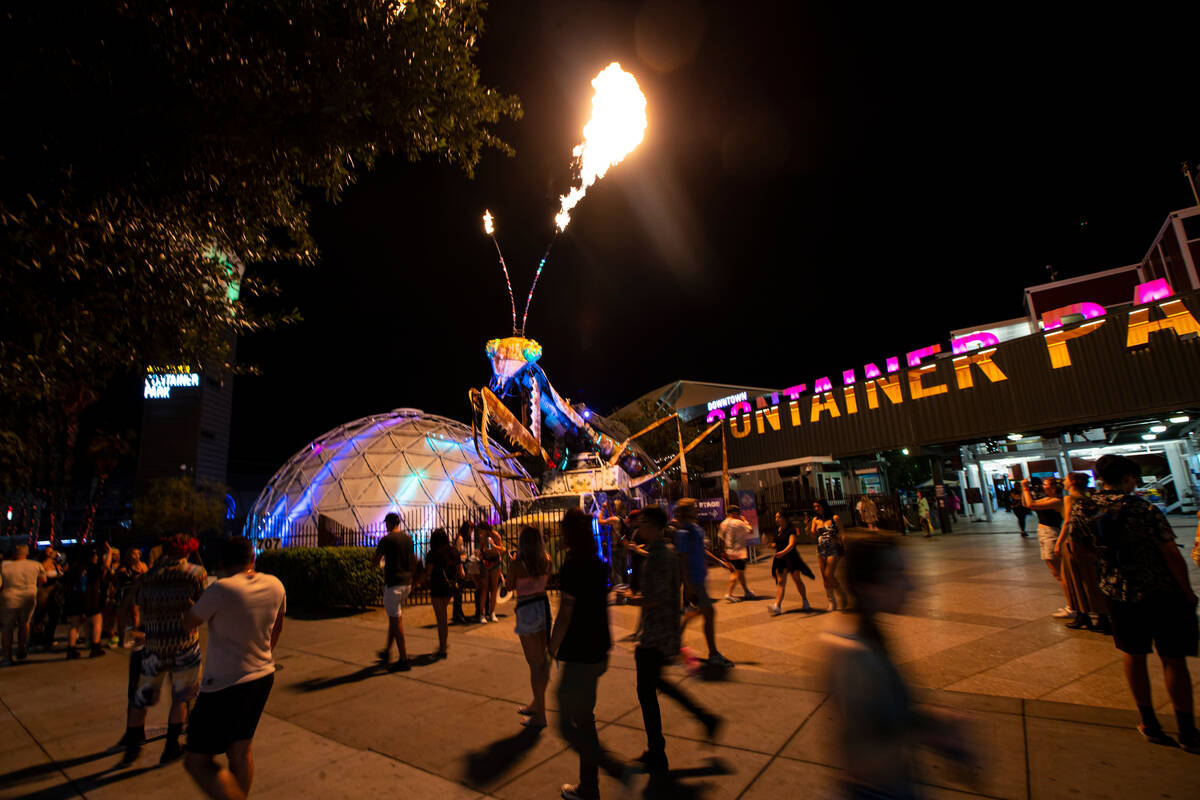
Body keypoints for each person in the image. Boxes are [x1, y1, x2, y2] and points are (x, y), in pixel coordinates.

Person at [825, 536, 976, 798]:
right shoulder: (851, 651)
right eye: (897, 575)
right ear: (867, 586)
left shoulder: (871, 634)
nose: (911, 585)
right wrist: (933, 733)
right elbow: (869, 739)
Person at [1073, 454, 1198, 752]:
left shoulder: (1083, 508)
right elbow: (1170, 553)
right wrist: (1188, 591)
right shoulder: (1143, 507)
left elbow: (1079, 550)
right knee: (1173, 658)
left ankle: (1150, 723)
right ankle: (1187, 730)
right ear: (1129, 477)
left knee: (1133, 654)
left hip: (1118, 592)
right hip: (1160, 590)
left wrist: (1109, 564)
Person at [619, 506, 720, 774]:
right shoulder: (665, 552)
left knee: (646, 691)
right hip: (664, 630)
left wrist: (630, 598)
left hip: (656, 632)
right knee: (656, 683)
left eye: (641, 522)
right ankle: (704, 719)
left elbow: (655, 597)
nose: (638, 526)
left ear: (652, 524)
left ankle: (658, 752)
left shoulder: (661, 557)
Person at [183, 536, 286, 800]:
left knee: (196, 760)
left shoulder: (220, 590)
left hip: (223, 684)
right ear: (253, 558)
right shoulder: (276, 585)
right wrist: (264, 654)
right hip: (263, 675)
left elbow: (189, 622)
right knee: (241, 750)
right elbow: (277, 628)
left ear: (221, 564)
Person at [550, 508, 628, 800]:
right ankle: (589, 786)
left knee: (566, 721)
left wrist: (551, 646)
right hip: (598, 647)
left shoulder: (572, 566)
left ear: (570, 533)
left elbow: (567, 611)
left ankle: (613, 770)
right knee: (584, 718)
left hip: (580, 651)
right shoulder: (598, 563)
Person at [122, 533, 208, 764]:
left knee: (142, 696)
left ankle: (132, 746)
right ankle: (171, 746)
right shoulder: (195, 574)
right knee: (181, 697)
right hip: (184, 644)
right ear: (187, 550)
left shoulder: (148, 576)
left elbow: (136, 603)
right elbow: (202, 606)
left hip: (154, 645)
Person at [674, 498, 732, 666]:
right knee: (709, 613)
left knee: (699, 612)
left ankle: (675, 641)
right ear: (685, 512)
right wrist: (689, 586)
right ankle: (713, 653)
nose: (696, 511)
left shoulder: (697, 529)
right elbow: (683, 560)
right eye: (692, 509)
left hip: (701, 578)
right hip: (695, 581)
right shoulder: (683, 533)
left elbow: (703, 551)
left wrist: (720, 562)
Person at [505, 526, 553, 729]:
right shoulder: (547, 560)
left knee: (534, 664)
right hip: (543, 607)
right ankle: (537, 703)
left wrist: (510, 563)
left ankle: (541, 715)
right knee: (542, 661)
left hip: (526, 610)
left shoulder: (517, 564)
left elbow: (508, 587)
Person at [1055, 473, 1111, 633]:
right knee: (1092, 579)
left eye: (1065, 480)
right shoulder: (1090, 497)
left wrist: (1058, 543)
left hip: (1074, 542)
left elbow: (1067, 522)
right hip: (1091, 543)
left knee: (1075, 579)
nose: (1063, 483)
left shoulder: (1069, 499)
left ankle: (1083, 614)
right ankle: (1102, 616)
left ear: (1072, 482)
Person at [1022, 478, 1073, 619]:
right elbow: (1027, 504)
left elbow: (1031, 504)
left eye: (1045, 484)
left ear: (1053, 487)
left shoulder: (1057, 501)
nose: (1042, 486)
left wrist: (1025, 489)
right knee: (1056, 573)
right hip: (1043, 533)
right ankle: (1071, 604)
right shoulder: (1047, 499)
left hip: (1051, 534)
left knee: (1060, 574)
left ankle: (1071, 606)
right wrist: (1024, 490)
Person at [374, 512, 416, 670]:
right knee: (394, 618)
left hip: (393, 584)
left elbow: (376, 560)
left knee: (396, 621)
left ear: (390, 524)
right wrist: (411, 576)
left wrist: (378, 565)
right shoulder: (408, 539)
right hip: (406, 584)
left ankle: (404, 659)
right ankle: (387, 651)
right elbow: (414, 560)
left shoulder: (386, 540)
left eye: (386, 524)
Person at [1, 544, 46, 665]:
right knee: (25, 623)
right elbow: (43, 580)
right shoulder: (36, 565)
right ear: (26, 553)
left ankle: (7, 657)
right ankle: (21, 648)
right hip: (29, 596)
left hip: (8, 598)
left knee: (7, 628)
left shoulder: (4, 565)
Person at [63, 544, 110, 658]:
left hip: (74, 598)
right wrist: (109, 553)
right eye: (95, 555)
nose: (97, 557)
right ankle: (95, 647)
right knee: (97, 621)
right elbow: (105, 568)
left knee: (74, 625)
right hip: (90, 599)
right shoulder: (92, 567)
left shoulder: (75, 567)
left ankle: (71, 649)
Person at [424, 528, 463, 659]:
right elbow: (460, 572)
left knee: (441, 619)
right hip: (449, 588)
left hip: (436, 586)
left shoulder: (432, 554)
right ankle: (443, 645)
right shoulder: (454, 552)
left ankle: (442, 648)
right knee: (443, 617)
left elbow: (428, 572)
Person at [768, 510, 813, 615]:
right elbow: (775, 543)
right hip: (780, 558)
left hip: (791, 557)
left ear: (784, 518)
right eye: (775, 517)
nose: (776, 519)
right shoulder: (777, 530)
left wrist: (783, 552)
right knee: (780, 582)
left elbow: (791, 544)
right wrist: (769, 544)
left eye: (778, 517)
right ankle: (777, 606)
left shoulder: (791, 530)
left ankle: (805, 601)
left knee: (797, 580)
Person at [811, 500, 849, 610]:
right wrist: (808, 528)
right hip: (821, 549)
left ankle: (841, 594)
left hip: (833, 548)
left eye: (818, 506)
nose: (816, 509)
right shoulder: (815, 520)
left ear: (824, 506)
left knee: (828, 574)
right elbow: (813, 535)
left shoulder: (834, 518)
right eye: (815, 507)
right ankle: (831, 601)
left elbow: (842, 532)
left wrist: (844, 544)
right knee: (824, 576)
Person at [720, 504, 757, 602]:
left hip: (729, 552)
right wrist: (744, 520)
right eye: (738, 513)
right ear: (734, 513)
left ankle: (746, 591)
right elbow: (751, 530)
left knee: (740, 573)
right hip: (738, 552)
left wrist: (723, 551)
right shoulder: (738, 522)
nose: (739, 515)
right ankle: (729, 593)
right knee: (736, 573)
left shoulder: (723, 523)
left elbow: (721, 538)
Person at [32, 545, 65, 649]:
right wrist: (50, 558)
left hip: (54, 593)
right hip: (43, 593)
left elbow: (60, 572)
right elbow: (41, 573)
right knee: (40, 617)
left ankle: (49, 638)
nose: (51, 554)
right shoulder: (41, 564)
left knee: (53, 617)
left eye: (52, 552)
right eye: (48, 552)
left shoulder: (55, 563)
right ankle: (36, 640)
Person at [114, 547, 148, 647]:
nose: (137, 556)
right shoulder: (124, 568)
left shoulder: (143, 566)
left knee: (135, 615)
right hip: (125, 593)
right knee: (122, 617)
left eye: (138, 553)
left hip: (138, 593)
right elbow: (119, 581)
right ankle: (121, 639)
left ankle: (135, 638)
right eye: (134, 553)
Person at [451, 521, 473, 624]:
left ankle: (459, 613)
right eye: (470, 529)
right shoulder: (460, 539)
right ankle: (457, 615)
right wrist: (461, 569)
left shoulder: (462, 538)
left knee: (460, 591)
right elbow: (457, 555)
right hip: (460, 565)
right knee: (458, 591)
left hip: (463, 564)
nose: (471, 532)